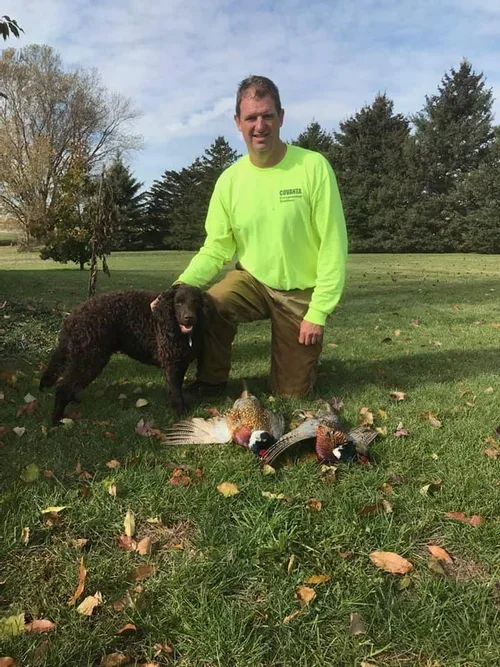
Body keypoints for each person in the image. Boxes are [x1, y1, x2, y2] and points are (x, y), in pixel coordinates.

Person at [153, 75, 348, 401]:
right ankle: (211, 381)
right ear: (238, 122)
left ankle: (297, 365)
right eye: (251, 117)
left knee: (290, 395)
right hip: (252, 281)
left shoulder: (313, 167)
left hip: (300, 293)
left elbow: (333, 243)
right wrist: (176, 289)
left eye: (267, 116)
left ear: (281, 117)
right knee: (211, 303)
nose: (260, 126)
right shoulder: (230, 181)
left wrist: (318, 311)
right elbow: (216, 247)